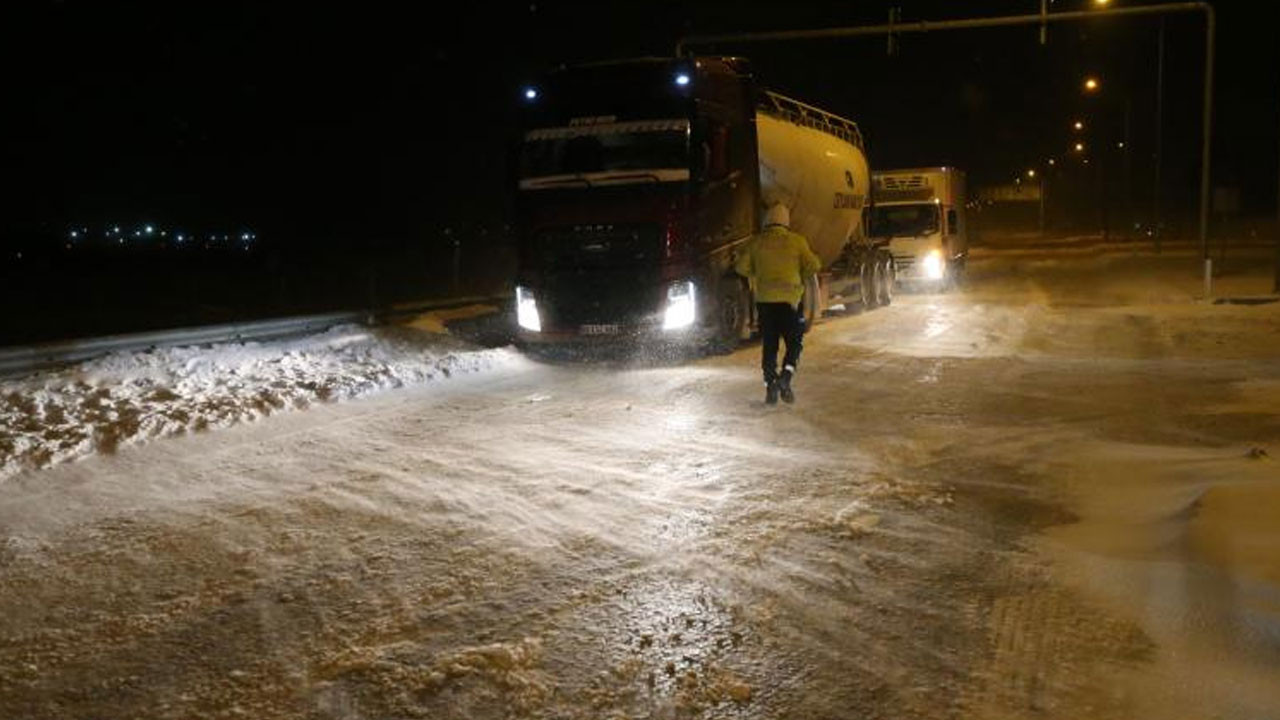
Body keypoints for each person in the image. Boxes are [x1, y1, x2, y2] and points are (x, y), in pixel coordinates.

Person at [734, 203, 821, 405]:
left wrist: (757, 273)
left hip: (765, 303)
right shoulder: (797, 242)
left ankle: (770, 385)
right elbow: (814, 265)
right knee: (794, 344)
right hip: (790, 303)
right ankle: (785, 378)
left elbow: (741, 268)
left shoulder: (757, 243)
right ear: (786, 222)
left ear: (767, 221)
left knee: (770, 346)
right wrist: (800, 274)